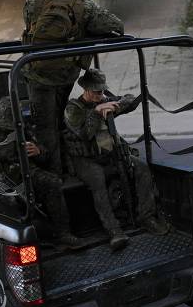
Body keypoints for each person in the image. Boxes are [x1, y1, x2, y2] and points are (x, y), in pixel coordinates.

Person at [22, 0, 124, 175]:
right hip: (66, 76)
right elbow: (116, 25)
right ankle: (65, 169)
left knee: (45, 128)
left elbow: (29, 30)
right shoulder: (85, 6)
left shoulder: (33, 0)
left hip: (37, 74)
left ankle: (55, 175)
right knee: (61, 122)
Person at [0, 96, 84, 250]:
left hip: (23, 171)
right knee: (11, 200)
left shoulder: (19, 124)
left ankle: (62, 234)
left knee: (52, 183)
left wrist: (38, 151)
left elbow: (44, 153)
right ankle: (22, 244)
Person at [63, 69, 169, 251]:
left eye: (102, 91)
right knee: (97, 180)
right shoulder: (73, 109)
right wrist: (96, 113)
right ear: (86, 90)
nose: (100, 94)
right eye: (96, 91)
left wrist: (116, 106)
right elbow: (84, 135)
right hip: (86, 159)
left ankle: (147, 217)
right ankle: (114, 231)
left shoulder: (103, 100)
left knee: (142, 168)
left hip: (109, 154)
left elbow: (131, 99)